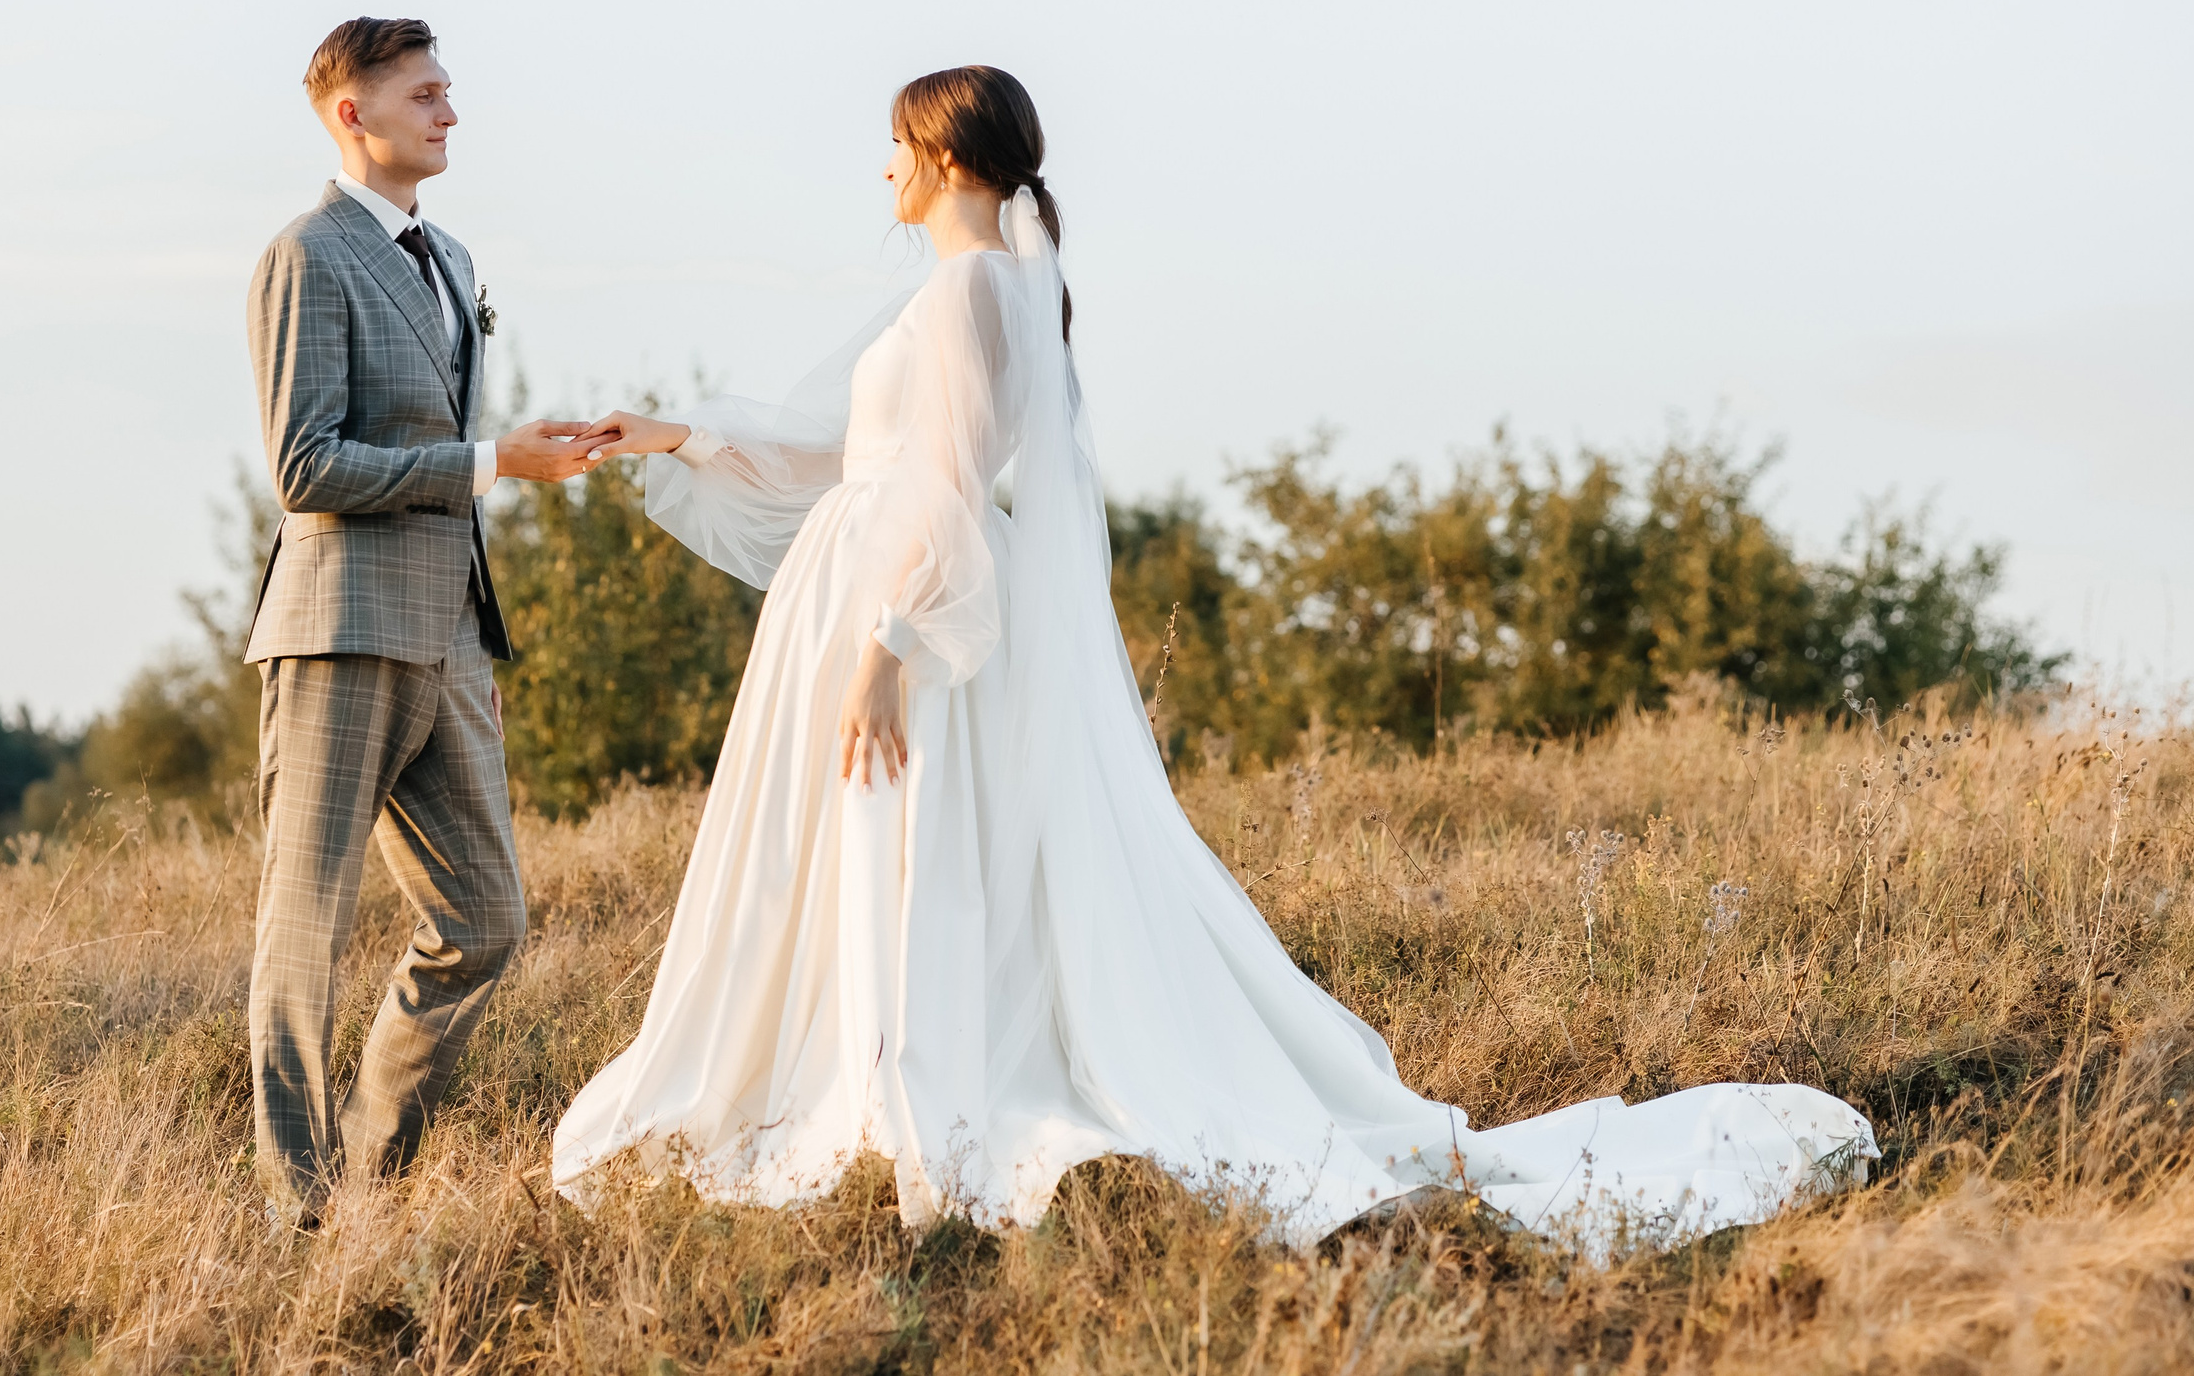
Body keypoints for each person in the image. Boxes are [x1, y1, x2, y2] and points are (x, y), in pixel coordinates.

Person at [551, 65, 1876, 1249]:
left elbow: (945, 489)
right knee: (898, 856)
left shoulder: (967, 290)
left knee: (923, 855)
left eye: (895, 145)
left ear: (947, 157)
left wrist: (889, 647)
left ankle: (914, 1089)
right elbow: (857, 462)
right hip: (884, 588)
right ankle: (878, 1076)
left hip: (913, 612)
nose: (882, 169)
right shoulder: (982, 282)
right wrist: (673, 435)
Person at [242, 16, 614, 1230]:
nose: (450, 113)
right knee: (306, 929)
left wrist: (476, 624)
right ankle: (293, 1214)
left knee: (488, 916)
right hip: (338, 628)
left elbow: (453, 453)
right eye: (427, 93)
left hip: (445, 639)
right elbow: (306, 465)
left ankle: (370, 1171)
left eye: (449, 92)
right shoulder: (306, 254)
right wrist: (485, 459)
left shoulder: (451, 259)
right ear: (354, 113)